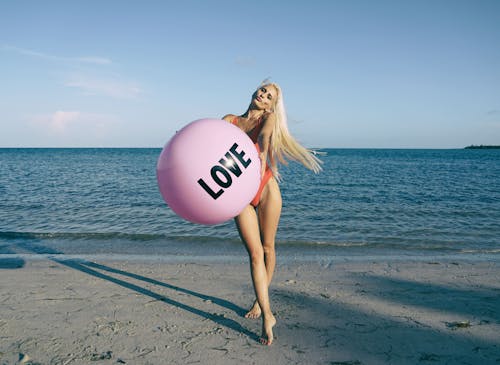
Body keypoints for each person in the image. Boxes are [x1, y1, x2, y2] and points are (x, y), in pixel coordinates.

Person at [223, 81, 322, 345]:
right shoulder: (229, 120)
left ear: (271, 104)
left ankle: (259, 300)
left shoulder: (269, 118)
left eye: (269, 96)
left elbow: (266, 134)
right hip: (238, 194)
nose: (263, 95)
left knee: (268, 248)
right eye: (262, 90)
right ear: (254, 91)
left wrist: (264, 151)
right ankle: (268, 314)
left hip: (265, 187)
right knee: (254, 254)